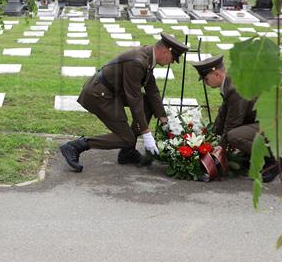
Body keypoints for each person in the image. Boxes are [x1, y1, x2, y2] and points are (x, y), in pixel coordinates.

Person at [60, 33, 189, 172]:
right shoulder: (138, 61)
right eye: (173, 58)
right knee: (125, 138)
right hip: (99, 95)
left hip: (111, 92)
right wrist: (146, 132)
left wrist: (164, 120)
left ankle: (127, 152)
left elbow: (152, 91)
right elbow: (134, 98)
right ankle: (77, 146)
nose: (172, 62)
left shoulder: (148, 57)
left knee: (147, 102)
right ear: (165, 51)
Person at [191, 55, 282, 182]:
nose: (205, 83)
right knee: (233, 134)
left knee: (234, 136)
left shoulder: (234, 88)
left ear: (217, 74)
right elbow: (224, 111)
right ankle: (249, 157)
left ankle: (273, 161)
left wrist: (217, 152)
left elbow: (232, 123)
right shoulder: (229, 81)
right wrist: (211, 135)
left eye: (206, 79)